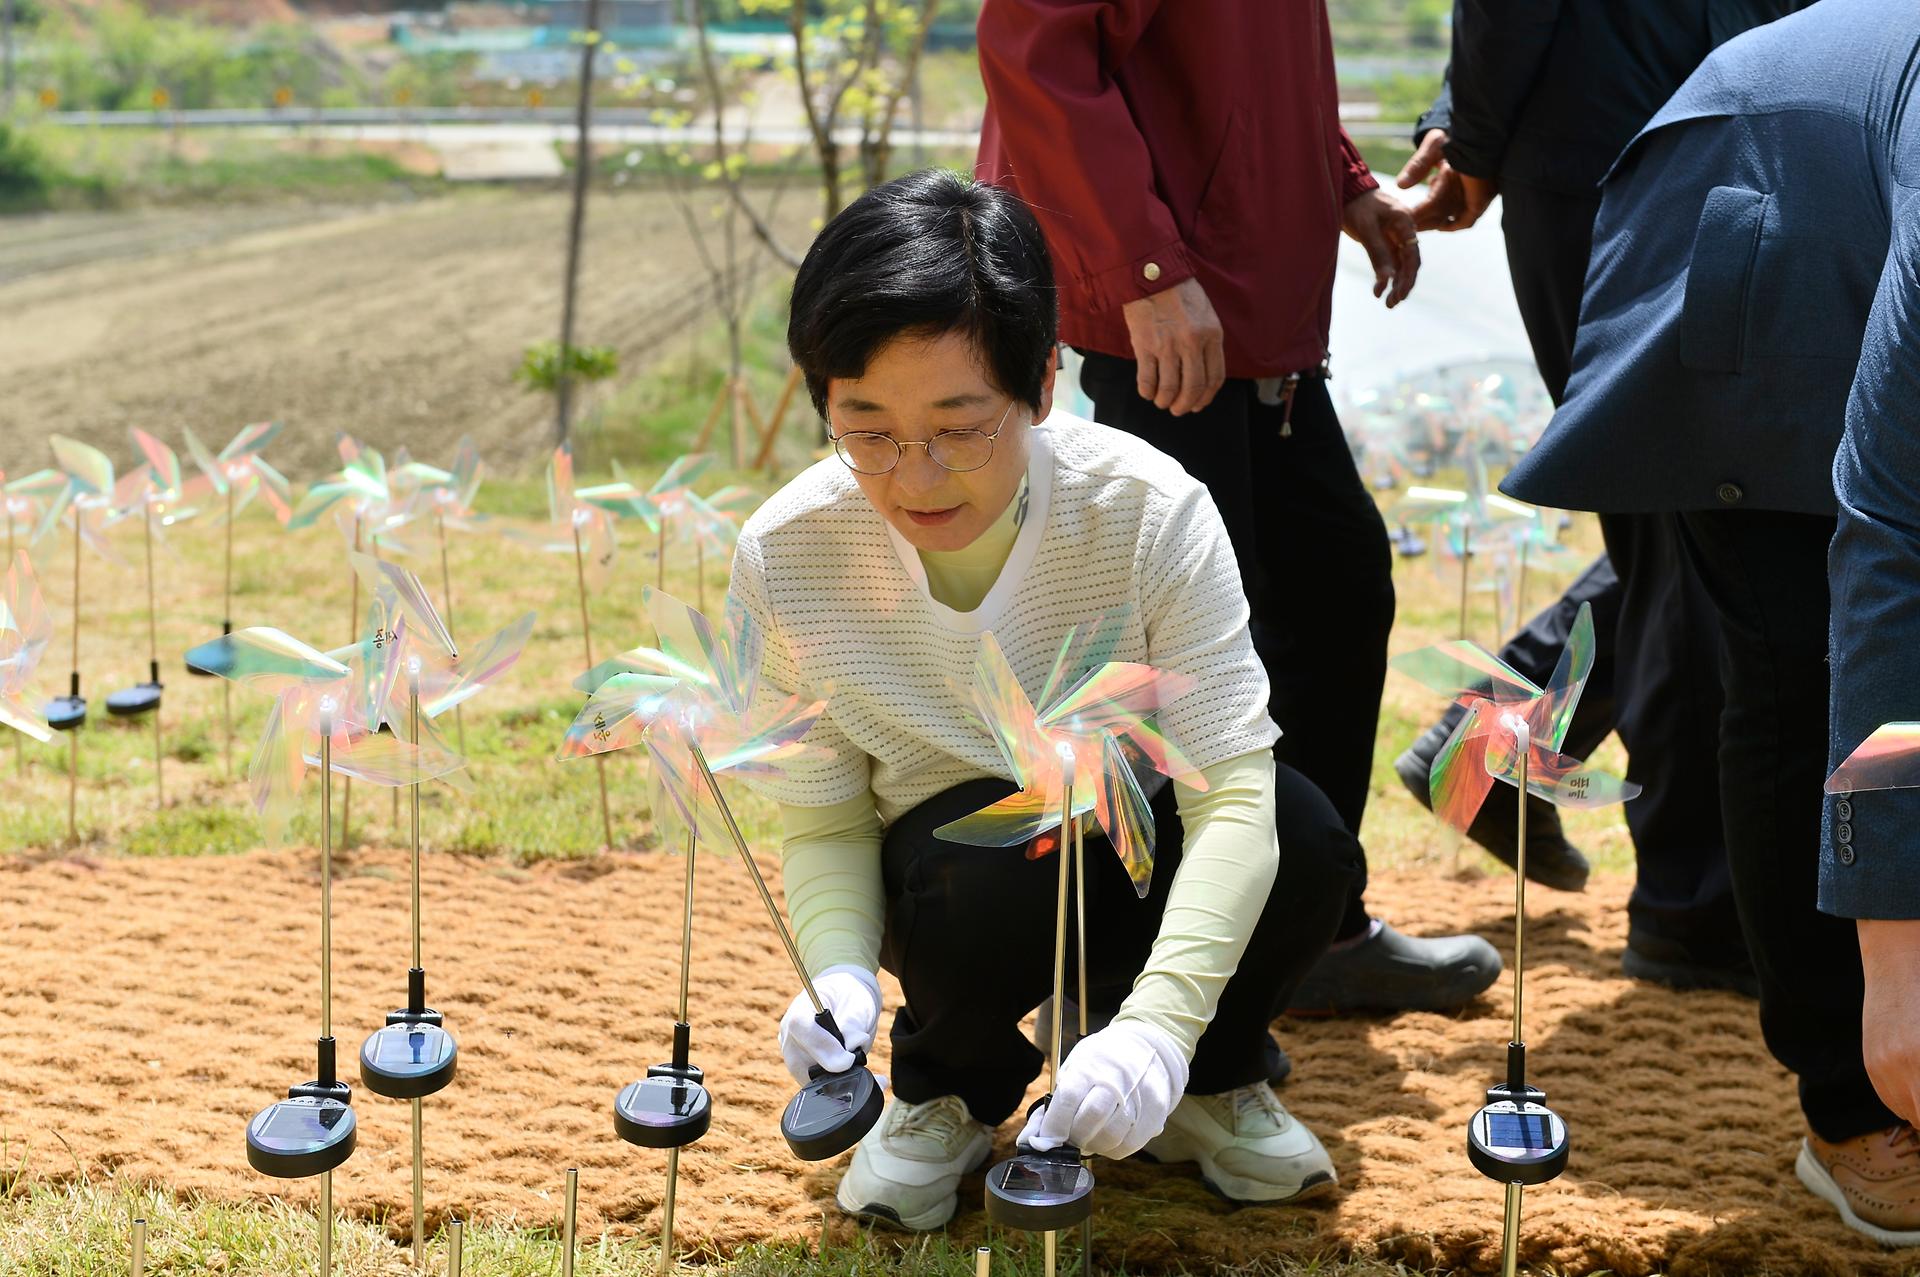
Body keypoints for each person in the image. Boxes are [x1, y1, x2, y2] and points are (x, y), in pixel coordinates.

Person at [732, 171, 1364, 1231]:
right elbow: (828, 812)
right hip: (960, 881)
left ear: (1045, 385)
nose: (915, 473)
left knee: (1304, 839)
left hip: (1150, 828)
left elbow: (1232, 796)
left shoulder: (1149, 511)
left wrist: (1161, 1024)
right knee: (975, 863)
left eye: (960, 425)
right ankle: (949, 1087)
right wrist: (838, 968)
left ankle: (1198, 1075)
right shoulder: (789, 553)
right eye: (867, 426)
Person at [973, 0, 1500, 1016]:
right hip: (1159, 307)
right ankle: (1113, 974)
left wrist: (1342, 184)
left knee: (1335, 592)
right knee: (1163, 659)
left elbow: (1251, 65)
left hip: (1247, 300)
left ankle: (1307, 927)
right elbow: (1035, 52)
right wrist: (1144, 268)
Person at [1501, 0, 1920, 1241]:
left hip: (1861, 199)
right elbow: (1887, 547)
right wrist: (1895, 969)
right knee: (1804, 664)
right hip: (1758, 224)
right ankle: (1849, 1103)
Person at [1387, 0, 1808, 994]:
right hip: (1641, 160)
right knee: (1697, 522)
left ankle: (1497, 748)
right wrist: (1477, 135)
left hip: (1717, 145)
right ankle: (1690, 903)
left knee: (1698, 524)